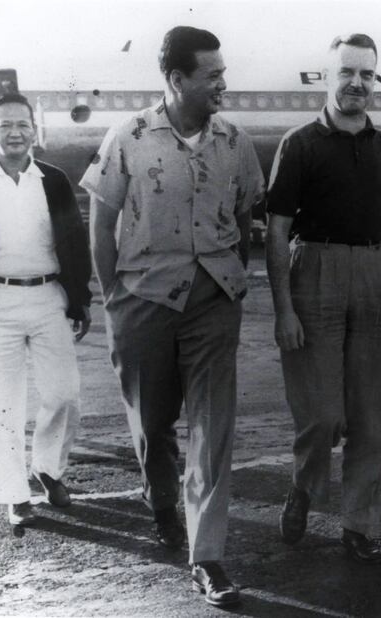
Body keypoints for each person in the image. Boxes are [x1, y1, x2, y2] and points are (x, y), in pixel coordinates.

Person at [80, 26, 264, 608]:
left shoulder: (235, 140)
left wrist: (228, 282)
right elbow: (101, 224)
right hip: (143, 300)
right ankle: (162, 501)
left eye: (222, 72)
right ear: (177, 79)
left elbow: (243, 211)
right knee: (153, 422)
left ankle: (206, 555)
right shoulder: (128, 135)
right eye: (211, 75)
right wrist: (114, 297)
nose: (222, 84)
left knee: (213, 430)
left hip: (213, 300)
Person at [266, 33, 381, 564]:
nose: (357, 84)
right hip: (313, 272)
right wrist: (283, 309)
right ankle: (303, 488)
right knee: (320, 415)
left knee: (371, 414)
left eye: (367, 75)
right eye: (347, 72)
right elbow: (277, 232)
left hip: (372, 275)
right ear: (327, 77)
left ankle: (358, 525)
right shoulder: (298, 144)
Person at [0, 93, 91, 526]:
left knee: (63, 393)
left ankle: (48, 469)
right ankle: (15, 495)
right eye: (4, 125)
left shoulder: (53, 180)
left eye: (22, 124)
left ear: (35, 130)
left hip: (50, 298)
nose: (14, 132)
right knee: (0, 405)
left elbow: (74, 242)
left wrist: (80, 298)